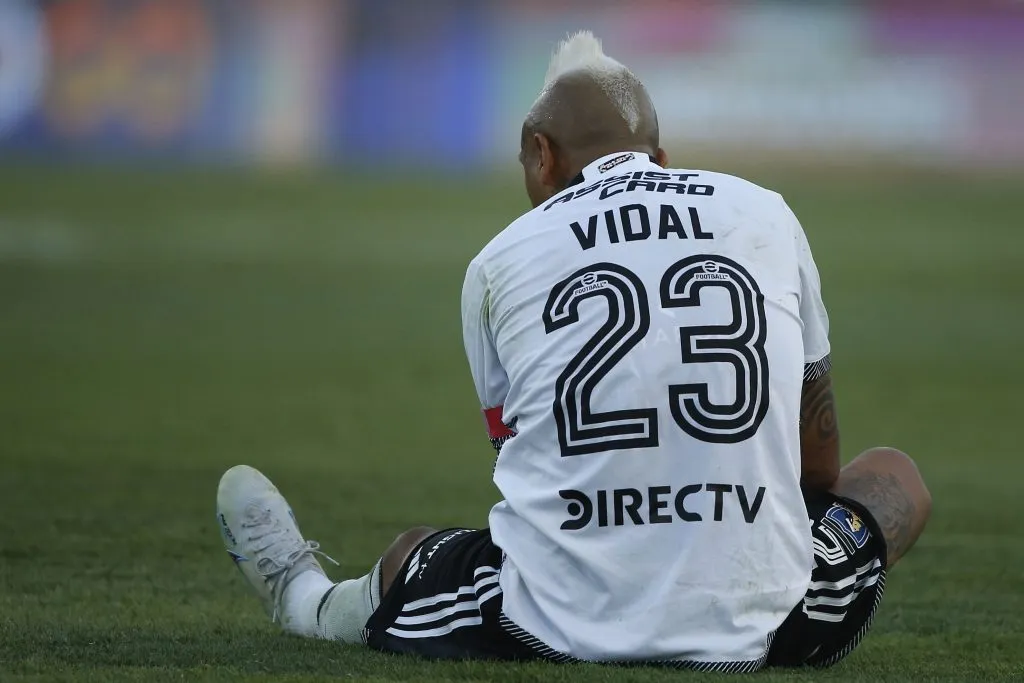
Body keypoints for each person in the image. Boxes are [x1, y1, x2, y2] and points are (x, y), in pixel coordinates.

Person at [215, 31, 931, 670]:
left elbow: (526, 470)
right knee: (894, 478)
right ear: (661, 157)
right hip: (774, 626)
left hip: (566, 622)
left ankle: (302, 598)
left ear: (540, 151)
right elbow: (820, 460)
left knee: (414, 555)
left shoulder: (500, 261)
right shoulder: (767, 211)